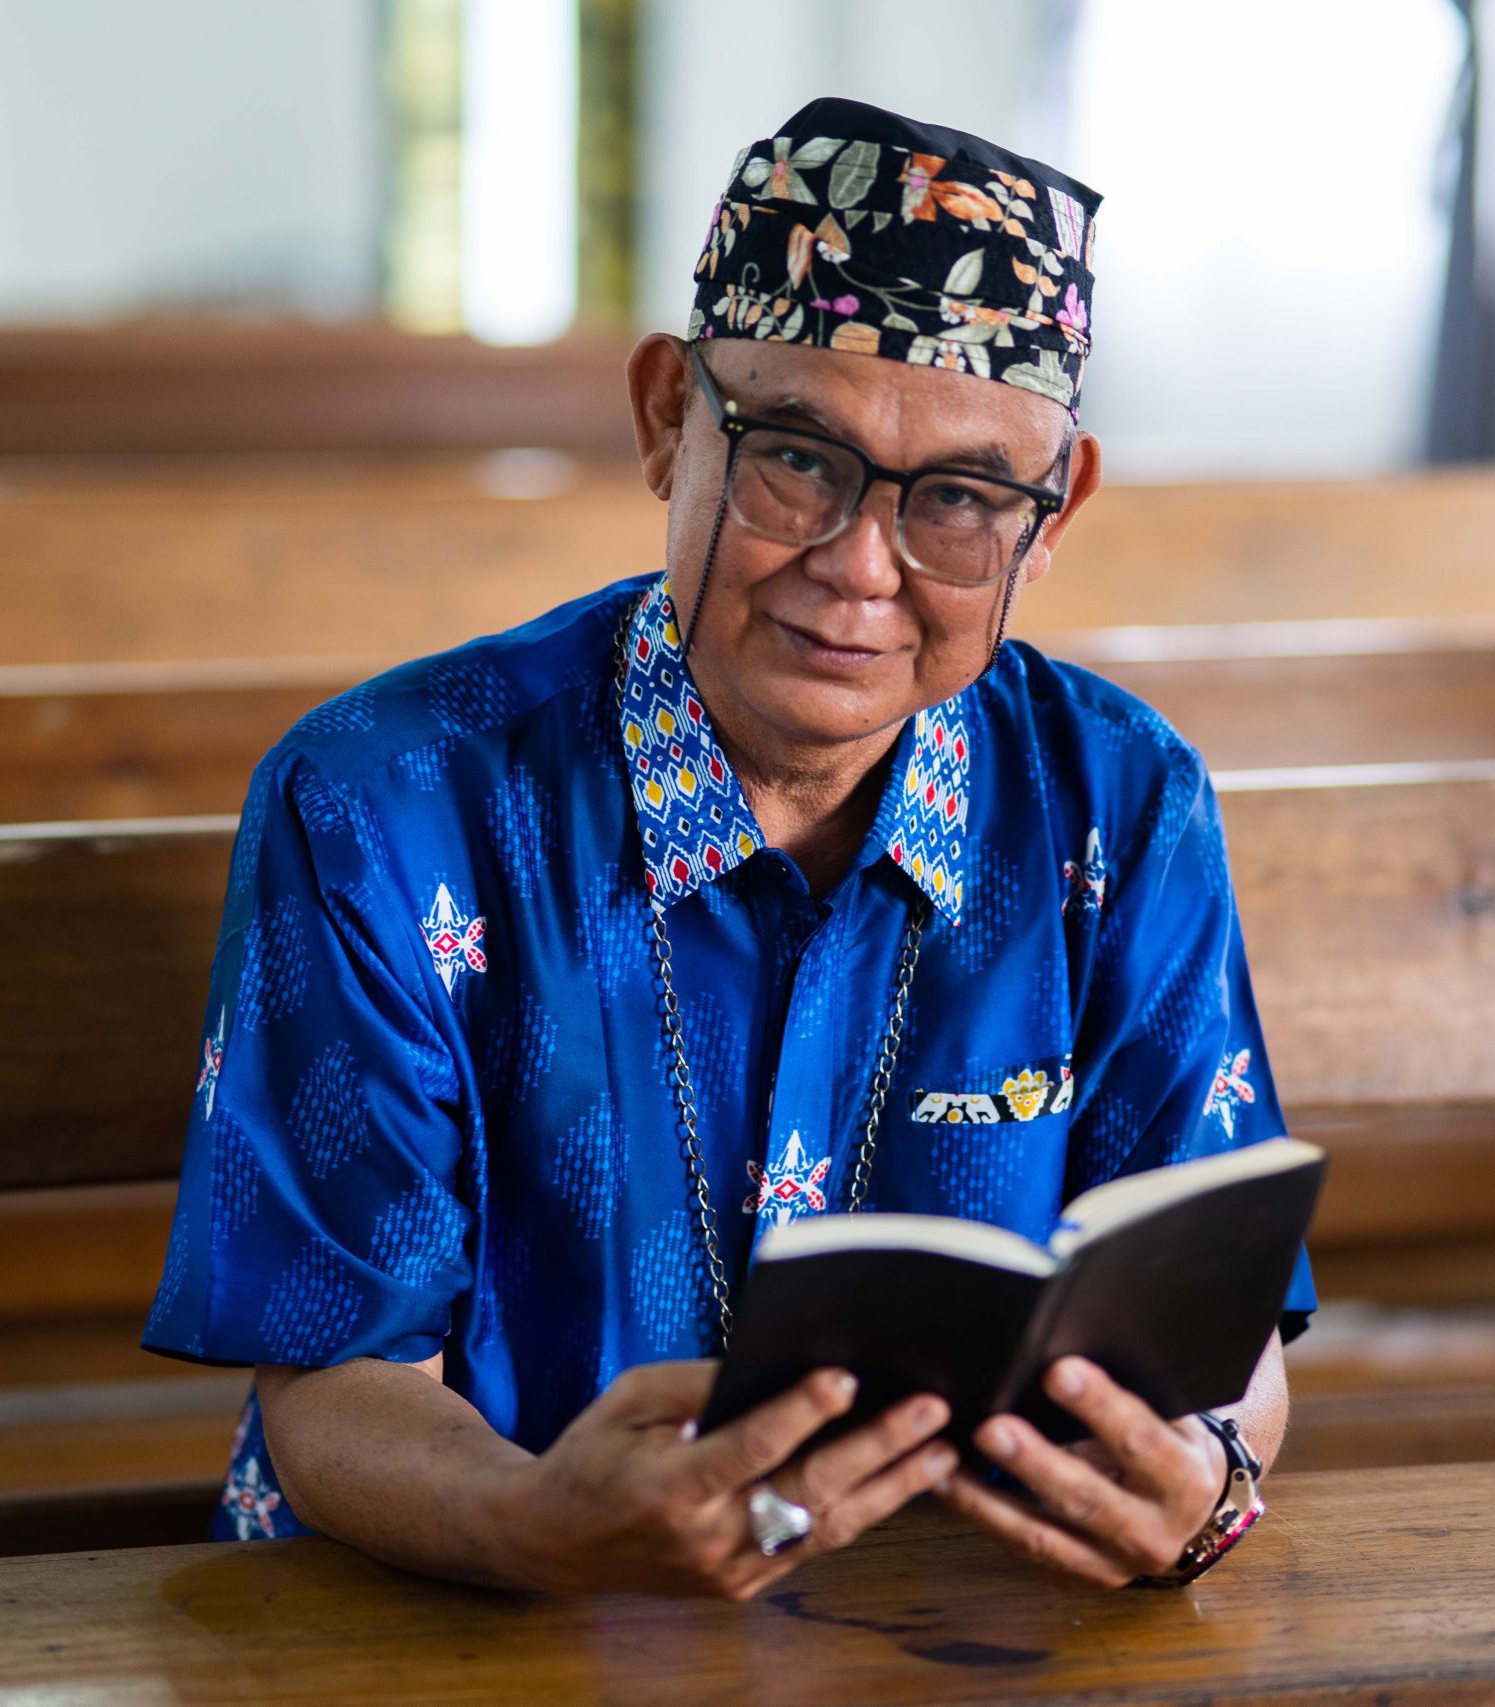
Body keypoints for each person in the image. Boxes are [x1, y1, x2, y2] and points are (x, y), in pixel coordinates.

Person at [144, 95, 1316, 1599]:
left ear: (1051, 514)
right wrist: (537, 1528)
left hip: (932, 1626)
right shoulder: (383, 802)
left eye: (960, 499)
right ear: (665, 421)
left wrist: (1209, 1478)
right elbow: (328, 1380)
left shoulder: (1118, 800)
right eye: (798, 462)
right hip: (453, 1613)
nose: (860, 570)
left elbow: (1219, 1323)